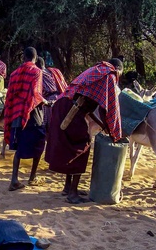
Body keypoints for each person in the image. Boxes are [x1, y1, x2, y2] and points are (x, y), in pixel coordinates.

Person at [45, 58, 123, 204]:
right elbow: (110, 109)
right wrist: (115, 133)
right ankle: (73, 194)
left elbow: (88, 103)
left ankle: (68, 187)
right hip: (72, 110)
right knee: (82, 147)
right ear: (118, 69)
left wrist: (104, 126)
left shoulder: (97, 70)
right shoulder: (110, 75)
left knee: (70, 147)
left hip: (63, 105)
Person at [3, 47, 51, 191]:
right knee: (39, 144)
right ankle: (32, 177)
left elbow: (9, 96)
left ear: (23, 58)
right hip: (32, 114)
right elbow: (35, 94)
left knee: (19, 146)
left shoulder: (14, 74)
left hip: (17, 115)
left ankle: (14, 180)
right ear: (35, 58)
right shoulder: (37, 71)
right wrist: (46, 102)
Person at [35, 57, 67, 129]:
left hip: (49, 101)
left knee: (48, 126)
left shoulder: (39, 74)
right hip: (59, 98)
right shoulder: (52, 71)